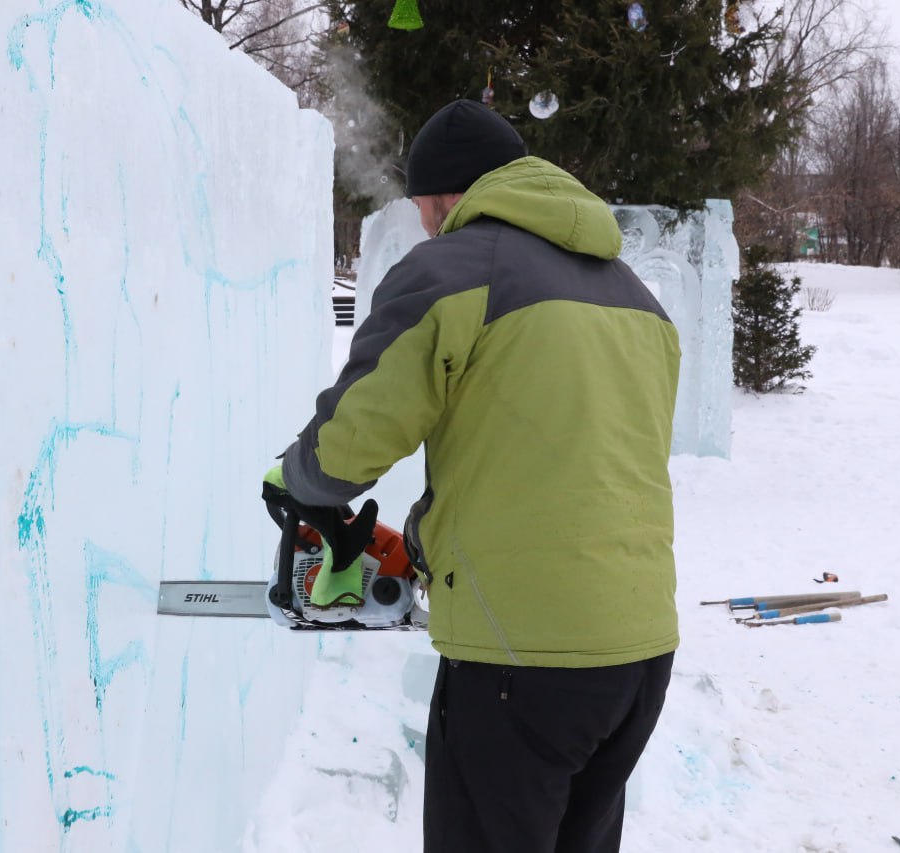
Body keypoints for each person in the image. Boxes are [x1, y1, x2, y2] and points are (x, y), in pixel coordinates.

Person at [276, 99, 681, 852]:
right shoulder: (637, 298)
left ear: (446, 194)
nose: (427, 227)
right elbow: (558, 461)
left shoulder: (454, 270)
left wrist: (297, 482)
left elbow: (359, 433)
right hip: (639, 654)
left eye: (424, 209)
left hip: (519, 664)